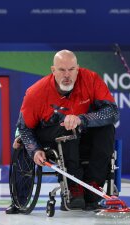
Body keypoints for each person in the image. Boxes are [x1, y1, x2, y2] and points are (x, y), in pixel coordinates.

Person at [10, 50, 119, 211]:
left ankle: (93, 186)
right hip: (51, 133)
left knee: (107, 129)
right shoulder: (36, 92)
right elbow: (24, 128)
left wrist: (82, 119)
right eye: (62, 70)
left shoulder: (91, 79)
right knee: (65, 128)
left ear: (77, 69)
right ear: (53, 70)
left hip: (82, 130)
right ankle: (74, 187)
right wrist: (34, 150)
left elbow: (112, 112)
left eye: (71, 69)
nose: (67, 75)